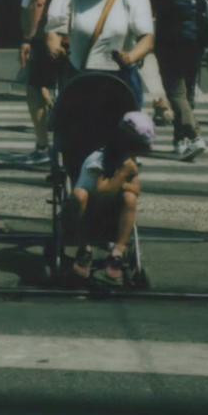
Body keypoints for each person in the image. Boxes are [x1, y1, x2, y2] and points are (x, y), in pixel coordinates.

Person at [18, 0, 89, 166]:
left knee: (36, 88)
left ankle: (41, 146)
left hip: (50, 33)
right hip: (80, 32)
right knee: (77, 88)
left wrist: (28, 36)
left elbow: (39, 0)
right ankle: (78, 142)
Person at [143, 0, 208, 162]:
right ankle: (180, 140)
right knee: (187, 90)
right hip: (195, 40)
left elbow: (149, 10)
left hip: (168, 41)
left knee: (176, 92)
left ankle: (194, 135)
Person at [69, 110, 156, 288]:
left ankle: (118, 250)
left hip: (111, 211)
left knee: (130, 198)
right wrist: (123, 175)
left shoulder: (130, 161)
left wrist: (122, 185)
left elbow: (136, 189)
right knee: (79, 195)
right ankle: (84, 248)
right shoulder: (99, 160)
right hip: (89, 210)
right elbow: (102, 190)